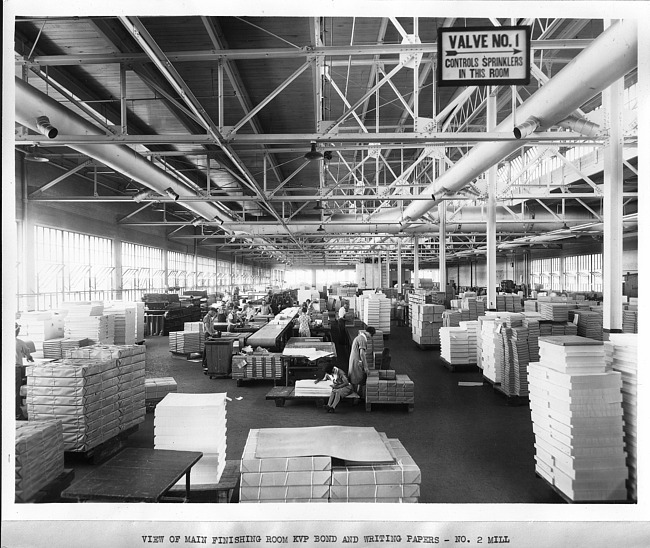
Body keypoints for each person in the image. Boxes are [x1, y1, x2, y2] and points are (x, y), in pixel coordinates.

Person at [348, 325, 375, 397]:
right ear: (369, 333)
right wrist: (366, 367)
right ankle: (355, 397)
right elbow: (362, 354)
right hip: (356, 361)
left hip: (355, 360)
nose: (370, 337)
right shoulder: (362, 339)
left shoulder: (359, 337)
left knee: (357, 378)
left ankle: (357, 395)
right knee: (357, 377)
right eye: (371, 335)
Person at [15, 323, 34, 420]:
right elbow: (28, 355)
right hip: (15, 370)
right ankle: (17, 414)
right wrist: (30, 358)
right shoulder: (20, 343)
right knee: (15, 392)